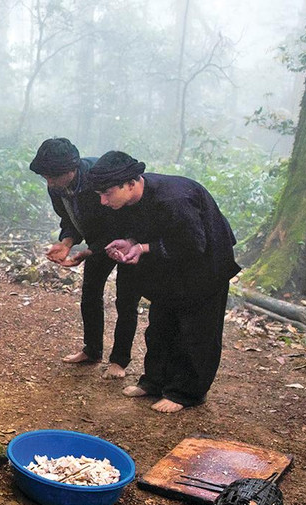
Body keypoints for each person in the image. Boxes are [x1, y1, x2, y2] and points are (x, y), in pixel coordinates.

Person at [85, 150, 240, 413]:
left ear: (131, 184)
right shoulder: (128, 202)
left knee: (195, 332)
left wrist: (144, 248)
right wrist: (132, 243)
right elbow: (147, 232)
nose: (102, 201)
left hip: (206, 266)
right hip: (171, 269)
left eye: (107, 193)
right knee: (160, 326)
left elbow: (193, 244)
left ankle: (186, 392)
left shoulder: (174, 199)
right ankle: (154, 382)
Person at [29, 138, 142, 378]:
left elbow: (118, 222)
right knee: (90, 294)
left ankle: (119, 361)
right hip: (95, 243)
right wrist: (66, 242)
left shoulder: (100, 179)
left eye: (52, 177)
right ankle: (92, 350)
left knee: (126, 299)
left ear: (71, 170)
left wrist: (88, 252)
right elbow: (69, 218)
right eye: (45, 177)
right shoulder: (56, 187)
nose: (48, 183)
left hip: (128, 240)